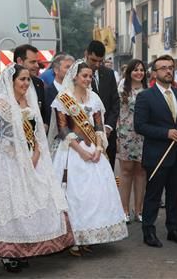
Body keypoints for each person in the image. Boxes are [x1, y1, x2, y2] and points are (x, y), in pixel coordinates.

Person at [0, 65, 73, 273]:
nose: (26, 84)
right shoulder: (0, 104)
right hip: (8, 162)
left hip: (31, 158)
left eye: (28, 80)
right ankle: (8, 253)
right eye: (22, 80)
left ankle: (27, 247)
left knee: (36, 201)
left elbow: (35, 133)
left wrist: (35, 155)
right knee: (11, 204)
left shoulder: (30, 101)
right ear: (12, 81)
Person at [49, 61, 128, 254]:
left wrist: (99, 148)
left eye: (90, 76)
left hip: (94, 149)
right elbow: (63, 128)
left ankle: (89, 237)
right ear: (75, 76)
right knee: (74, 195)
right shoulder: (63, 98)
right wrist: (81, 150)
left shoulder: (94, 98)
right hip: (72, 152)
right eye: (84, 75)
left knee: (95, 195)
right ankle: (74, 238)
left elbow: (99, 126)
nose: (87, 79)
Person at [134, 54, 177, 248]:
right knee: (153, 195)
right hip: (157, 154)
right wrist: (166, 133)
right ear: (155, 73)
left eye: (171, 67)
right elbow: (140, 126)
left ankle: (173, 229)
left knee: (174, 195)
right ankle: (148, 230)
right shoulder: (145, 96)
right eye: (164, 68)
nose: (168, 71)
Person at [117, 59, 148, 223]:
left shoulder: (148, 90)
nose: (139, 73)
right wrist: (115, 136)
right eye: (135, 70)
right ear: (129, 72)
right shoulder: (122, 88)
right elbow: (116, 112)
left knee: (141, 172)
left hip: (143, 135)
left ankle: (139, 210)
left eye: (141, 70)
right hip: (126, 134)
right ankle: (124, 210)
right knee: (126, 171)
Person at [0, 44, 47, 125]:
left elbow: (44, 112)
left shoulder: (38, 83)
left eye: (37, 62)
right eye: (32, 62)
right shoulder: (1, 83)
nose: (37, 65)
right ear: (19, 61)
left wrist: (44, 126)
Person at [85, 40, 120, 170]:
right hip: (86, 135)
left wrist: (109, 126)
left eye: (101, 61)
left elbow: (115, 102)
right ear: (86, 54)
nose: (97, 64)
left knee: (109, 172)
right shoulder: (77, 74)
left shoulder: (109, 74)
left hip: (108, 134)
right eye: (93, 60)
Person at [44, 54, 75, 126]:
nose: (72, 71)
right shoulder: (46, 93)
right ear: (56, 70)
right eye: (68, 67)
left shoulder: (78, 91)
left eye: (73, 67)